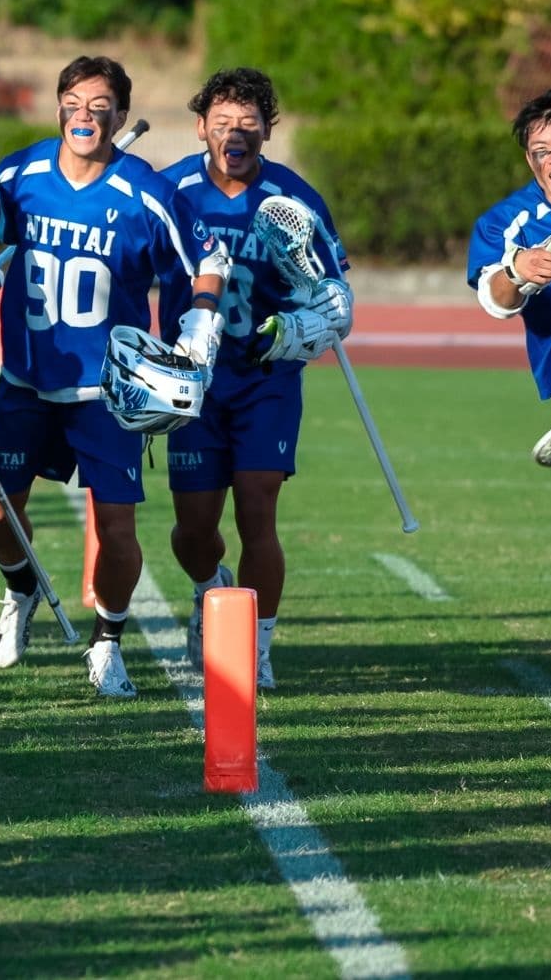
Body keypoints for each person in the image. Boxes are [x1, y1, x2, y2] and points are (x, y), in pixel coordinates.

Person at [0, 55, 227, 699]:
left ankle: (107, 641)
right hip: (29, 378)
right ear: (58, 106)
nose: (84, 116)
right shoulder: (18, 176)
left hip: (108, 390)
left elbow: (208, 259)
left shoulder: (146, 192)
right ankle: (22, 589)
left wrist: (199, 324)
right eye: (74, 103)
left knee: (117, 530)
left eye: (99, 106)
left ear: (120, 116)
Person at [159, 69, 350, 689]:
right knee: (193, 530)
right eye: (222, 123)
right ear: (200, 128)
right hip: (194, 378)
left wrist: (309, 323)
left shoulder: (294, 197)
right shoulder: (172, 189)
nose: (234, 134)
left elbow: (334, 294)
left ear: (268, 130)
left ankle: (255, 647)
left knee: (257, 510)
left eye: (248, 123)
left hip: (267, 376)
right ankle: (209, 591)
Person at [470, 89, 551, 477]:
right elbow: (494, 299)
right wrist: (518, 271)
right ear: (530, 161)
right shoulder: (510, 222)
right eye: (542, 151)